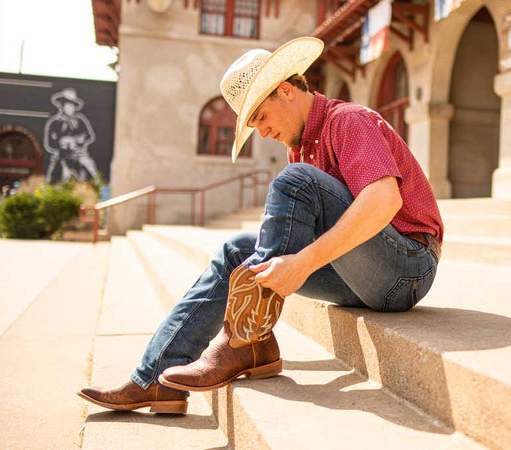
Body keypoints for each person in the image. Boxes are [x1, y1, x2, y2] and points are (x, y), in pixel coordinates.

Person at [78, 37, 443, 414]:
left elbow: (385, 201)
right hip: (359, 274)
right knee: (237, 249)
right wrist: (290, 257)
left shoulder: (347, 120)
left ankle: (244, 341)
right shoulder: (302, 146)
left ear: (285, 90)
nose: (263, 133)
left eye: (261, 118)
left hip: (408, 267)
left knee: (295, 179)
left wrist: (302, 263)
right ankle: (156, 379)